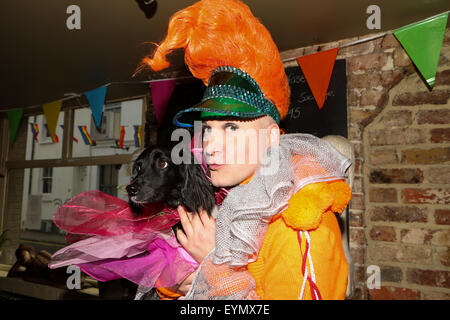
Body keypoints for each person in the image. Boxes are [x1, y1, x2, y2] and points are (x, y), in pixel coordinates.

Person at [139, 0, 351, 300]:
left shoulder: (302, 223)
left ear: (271, 138)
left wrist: (215, 262)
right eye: (208, 128)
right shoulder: (235, 200)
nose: (209, 145)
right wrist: (175, 286)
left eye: (232, 127)